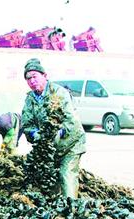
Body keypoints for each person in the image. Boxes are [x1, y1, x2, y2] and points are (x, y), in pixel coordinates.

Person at [21, 58, 86, 198]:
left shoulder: (59, 93)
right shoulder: (30, 99)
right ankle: (56, 208)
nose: (32, 81)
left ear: (44, 76)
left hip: (71, 144)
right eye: (28, 78)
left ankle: (72, 208)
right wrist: (34, 134)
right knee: (49, 181)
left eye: (34, 76)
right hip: (49, 149)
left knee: (67, 174)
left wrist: (59, 132)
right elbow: (27, 124)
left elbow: (71, 120)